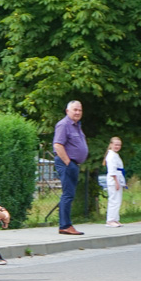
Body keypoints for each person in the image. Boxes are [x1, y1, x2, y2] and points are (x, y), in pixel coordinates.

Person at [52, 100, 88, 235]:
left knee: (69, 194)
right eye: (75, 110)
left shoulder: (76, 125)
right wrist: (68, 162)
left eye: (80, 110)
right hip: (66, 163)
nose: (78, 112)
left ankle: (65, 224)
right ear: (67, 111)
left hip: (72, 163)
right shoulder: (64, 124)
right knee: (68, 194)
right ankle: (65, 225)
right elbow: (57, 145)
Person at [103, 137, 125, 227]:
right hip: (114, 180)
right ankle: (110, 220)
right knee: (114, 200)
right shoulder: (111, 155)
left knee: (118, 200)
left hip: (118, 178)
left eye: (119, 145)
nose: (117, 146)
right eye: (116, 144)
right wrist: (116, 182)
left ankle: (115, 218)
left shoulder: (115, 155)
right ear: (111, 144)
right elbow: (112, 170)